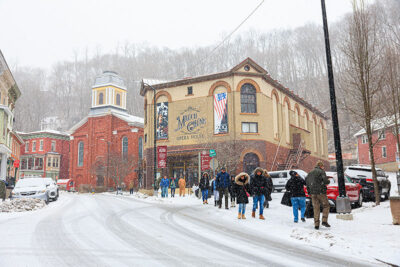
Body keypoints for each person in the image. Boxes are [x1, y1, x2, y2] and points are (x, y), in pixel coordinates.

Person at [306, 161, 330, 230]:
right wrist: (328, 180)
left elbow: (307, 183)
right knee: (326, 205)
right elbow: (325, 181)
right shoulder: (321, 171)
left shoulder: (310, 173)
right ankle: (324, 221)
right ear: (321, 166)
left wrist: (309, 192)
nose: (323, 167)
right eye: (323, 166)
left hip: (313, 193)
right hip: (321, 192)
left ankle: (316, 224)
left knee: (316, 208)